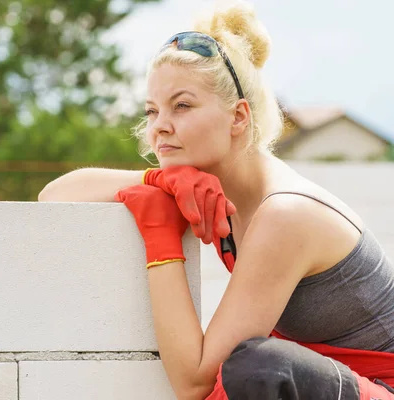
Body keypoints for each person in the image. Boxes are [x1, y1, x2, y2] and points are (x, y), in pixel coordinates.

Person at [38, 1, 394, 399]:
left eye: (182, 105)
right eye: (152, 111)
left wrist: (159, 230)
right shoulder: (210, 190)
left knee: (259, 366)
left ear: (239, 117)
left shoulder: (285, 213)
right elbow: (54, 196)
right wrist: (155, 179)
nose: (159, 127)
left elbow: (197, 382)